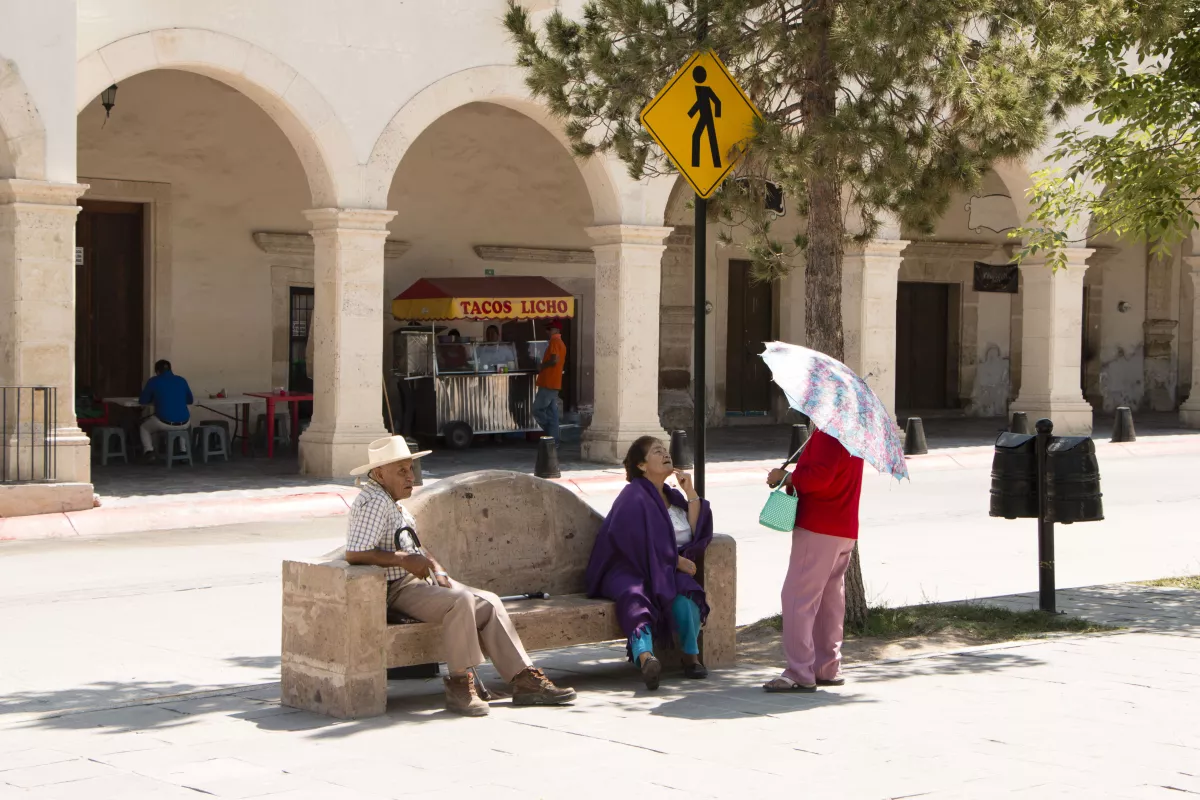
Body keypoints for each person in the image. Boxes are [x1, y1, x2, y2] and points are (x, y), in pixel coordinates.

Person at [344, 436, 577, 717]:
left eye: (410, 469)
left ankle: (524, 679)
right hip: (394, 589)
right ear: (379, 474)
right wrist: (403, 560)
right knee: (460, 601)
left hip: (416, 583)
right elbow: (355, 554)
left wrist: (438, 569)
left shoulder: (393, 502)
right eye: (401, 471)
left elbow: (415, 544)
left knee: (488, 602)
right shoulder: (372, 502)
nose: (411, 477)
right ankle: (459, 685)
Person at [586, 436, 714, 690]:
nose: (666, 454)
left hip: (664, 567)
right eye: (657, 451)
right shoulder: (633, 494)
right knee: (634, 596)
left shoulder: (672, 496)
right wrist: (673, 559)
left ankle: (690, 656)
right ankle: (646, 658)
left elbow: (695, 530)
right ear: (642, 465)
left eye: (665, 450)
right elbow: (630, 539)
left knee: (686, 597)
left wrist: (690, 493)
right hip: (628, 566)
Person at [763, 428, 865, 693]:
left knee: (798, 597)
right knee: (830, 599)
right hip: (844, 526)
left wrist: (785, 476)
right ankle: (827, 666)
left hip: (819, 525)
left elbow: (819, 478)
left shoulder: (829, 434)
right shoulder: (853, 433)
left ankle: (799, 671)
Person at [138, 360, 194, 462]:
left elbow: (143, 400)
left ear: (157, 371)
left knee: (144, 428)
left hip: (164, 422)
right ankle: (183, 450)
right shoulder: (182, 380)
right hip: (184, 422)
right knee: (185, 423)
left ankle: (149, 452)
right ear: (170, 369)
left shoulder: (154, 381)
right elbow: (190, 400)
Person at [533, 320, 566, 444]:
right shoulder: (559, 342)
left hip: (548, 382)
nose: (547, 331)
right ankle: (554, 440)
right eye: (547, 329)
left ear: (556, 330)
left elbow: (554, 359)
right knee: (552, 414)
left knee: (537, 410)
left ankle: (551, 433)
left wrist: (542, 366)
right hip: (553, 382)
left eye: (550, 329)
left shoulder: (555, 341)